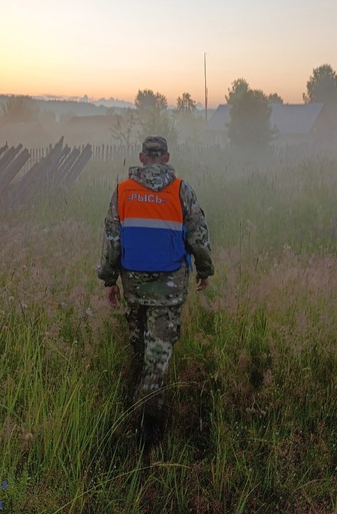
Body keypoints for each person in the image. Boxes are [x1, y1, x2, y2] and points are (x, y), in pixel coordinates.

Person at [97, 135, 214, 445]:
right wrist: (205, 270)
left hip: (133, 286)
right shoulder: (181, 190)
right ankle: (147, 428)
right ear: (165, 157)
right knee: (157, 358)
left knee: (140, 351)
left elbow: (112, 241)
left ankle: (133, 413)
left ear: (141, 157)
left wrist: (109, 281)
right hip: (170, 288)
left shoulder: (123, 190)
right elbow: (198, 236)